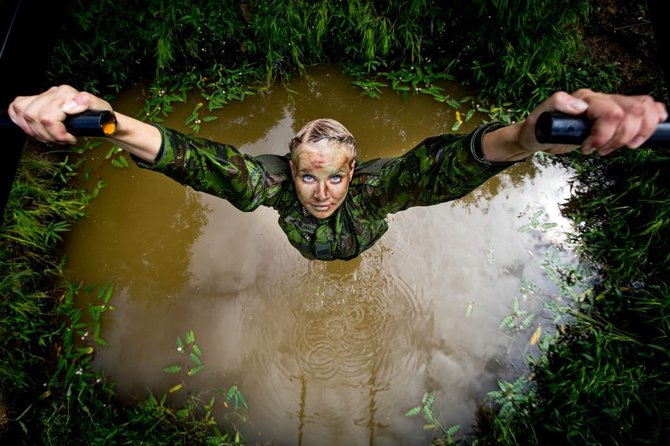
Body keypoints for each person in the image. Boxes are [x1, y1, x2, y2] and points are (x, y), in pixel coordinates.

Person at [8, 86, 668, 260]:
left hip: (361, 246)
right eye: (307, 178)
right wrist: (110, 123)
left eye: (335, 178)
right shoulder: (265, 184)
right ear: (285, 171)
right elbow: (193, 158)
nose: (322, 193)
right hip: (299, 249)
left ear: (356, 172)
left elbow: (460, 160)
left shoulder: (381, 189)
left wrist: (530, 135)